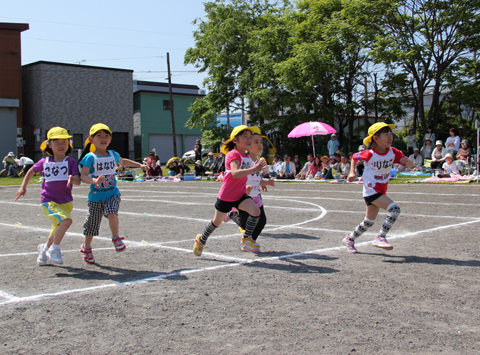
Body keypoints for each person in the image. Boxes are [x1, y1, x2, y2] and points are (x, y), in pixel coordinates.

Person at [78, 123, 147, 264]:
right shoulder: (89, 158)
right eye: (99, 136)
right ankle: (87, 247)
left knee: (112, 213)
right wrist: (94, 180)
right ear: (91, 139)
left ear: (110, 139)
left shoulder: (112, 154)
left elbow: (123, 161)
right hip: (96, 197)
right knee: (92, 225)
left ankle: (116, 238)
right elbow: (83, 176)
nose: (103, 138)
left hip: (112, 193)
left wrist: (139, 165)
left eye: (106, 136)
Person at [193, 125, 266, 256]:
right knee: (216, 222)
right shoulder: (233, 154)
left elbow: (249, 175)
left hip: (240, 195)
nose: (249, 139)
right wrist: (254, 169)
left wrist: (260, 181)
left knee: (256, 212)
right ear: (235, 141)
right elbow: (235, 173)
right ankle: (201, 239)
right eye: (245, 137)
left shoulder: (248, 156)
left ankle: (246, 237)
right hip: (226, 196)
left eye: (250, 137)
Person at [14, 127, 81, 265]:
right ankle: (54, 250)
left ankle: (43, 249)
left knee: (56, 230)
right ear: (49, 145)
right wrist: (22, 187)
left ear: (69, 144)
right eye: (57, 142)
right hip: (49, 201)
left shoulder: (71, 162)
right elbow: (31, 171)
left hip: (66, 202)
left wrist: (72, 179)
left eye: (64, 142)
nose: (61, 145)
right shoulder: (44, 162)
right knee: (66, 221)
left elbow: (78, 181)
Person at [343, 122, 413, 253]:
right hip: (371, 190)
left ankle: (350, 239)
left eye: (390, 134)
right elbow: (353, 157)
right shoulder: (369, 154)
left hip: (381, 190)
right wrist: (352, 172)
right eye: (386, 134)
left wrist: (408, 162)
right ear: (375, 138)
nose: (390, 137)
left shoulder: (393, 152)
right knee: (395, 209)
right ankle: (380, 237)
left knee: (369, 221)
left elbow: (409, 162)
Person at [225, 127, 274, 247]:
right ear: (248, 144)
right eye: (255, 142)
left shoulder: (258, 160)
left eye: (261, 142)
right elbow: (236, 176)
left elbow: (256, 179)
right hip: (244, 195)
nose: (259, 145)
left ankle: (249, 242)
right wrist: (244, 188)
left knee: (262, 221)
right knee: (245, 223)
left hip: (255, 195)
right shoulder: (242, 159)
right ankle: (232, 214)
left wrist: (265, 183)